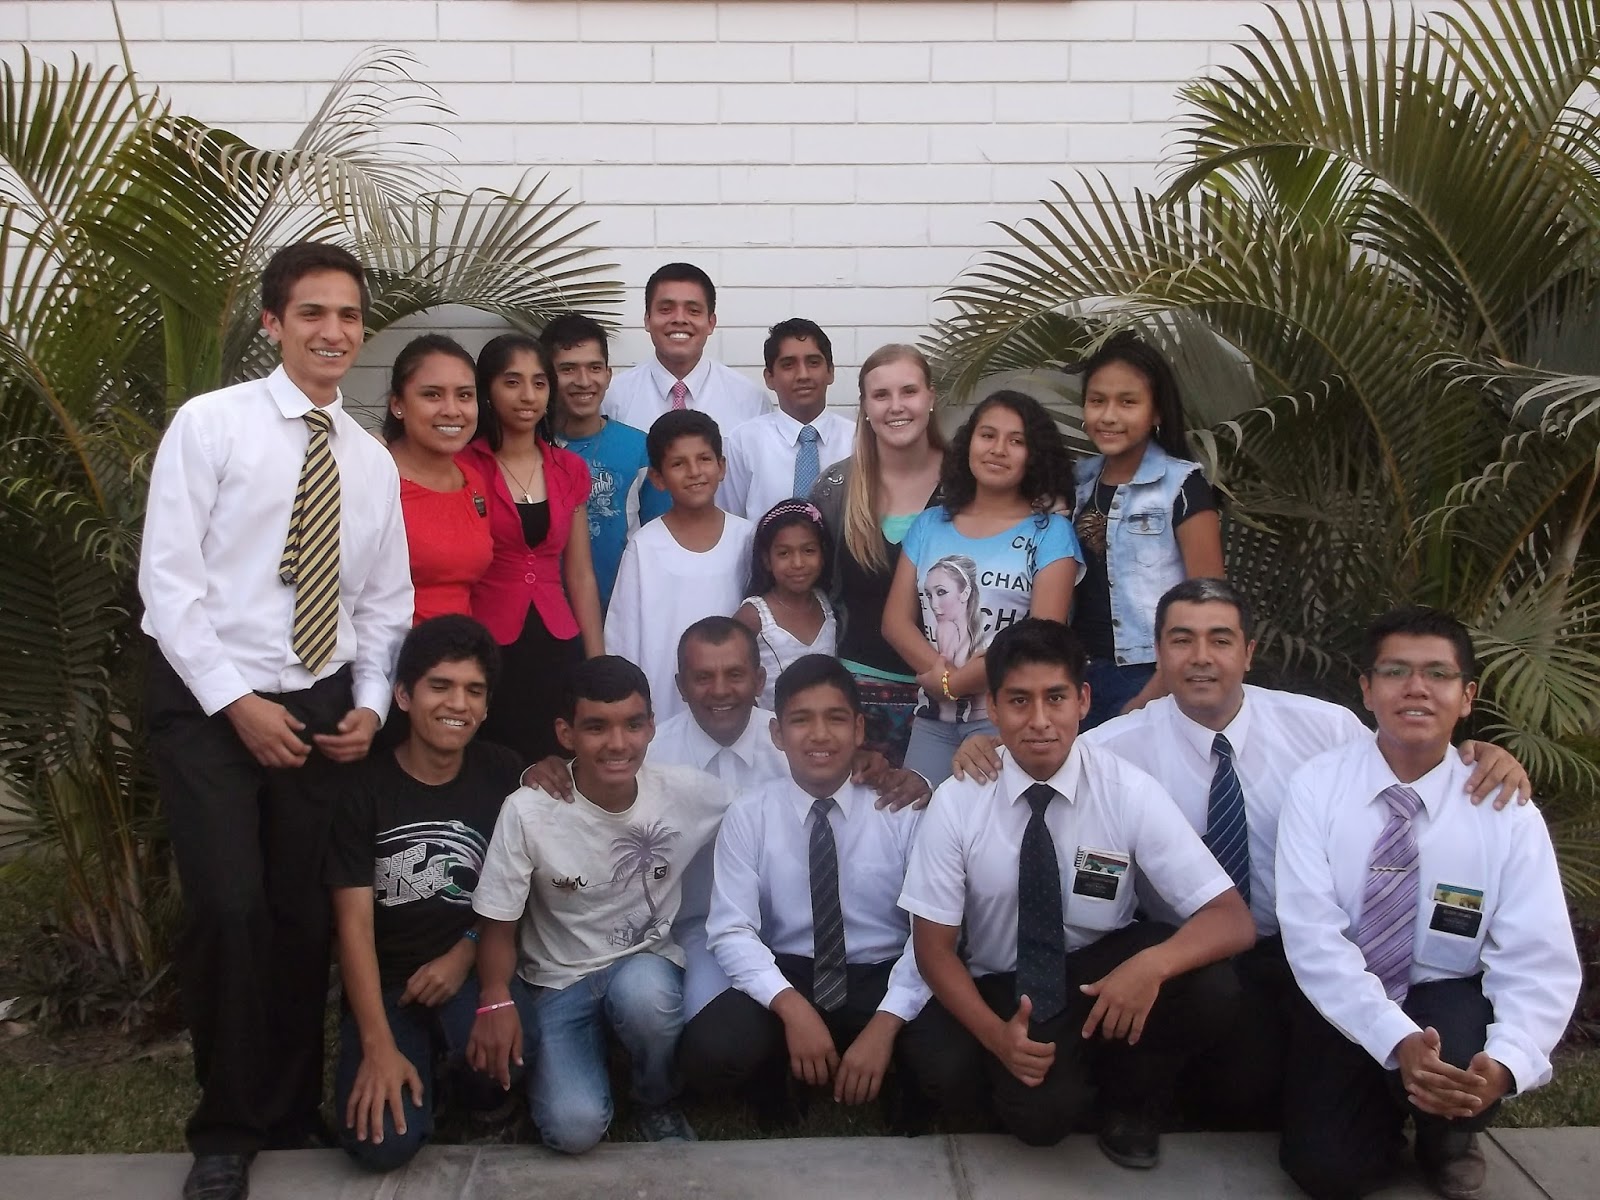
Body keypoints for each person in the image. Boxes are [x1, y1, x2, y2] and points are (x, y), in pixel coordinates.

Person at [947, 578, 1536, 1132]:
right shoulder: (1117, 746)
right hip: (1188, 950)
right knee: (1229, 1080)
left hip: (1301, 946)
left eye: (1221, 639)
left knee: (1265, 1101)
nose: (1201, 657)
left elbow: (1404, 759)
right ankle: (1140, 1103)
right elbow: (1040, 745)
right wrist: (984, 748)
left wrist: (1477, 754)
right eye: (1182, 640)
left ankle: (1423, 1128)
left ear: (1249, 652)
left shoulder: (1324, 728)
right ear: (1159, 652)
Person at [138, 241, 413, 1200]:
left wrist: (369, 705)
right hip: (210, 700)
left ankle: (291, 1107)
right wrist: (237, 703)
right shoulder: (211, 426)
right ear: (273, 323)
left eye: (348, 316)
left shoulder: (369, 462)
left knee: (302, 917)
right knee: (230, 908)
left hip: (322, 705)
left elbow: (385, 604)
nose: (332, 331)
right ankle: (226, 1128)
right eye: (311, 313)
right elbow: (168, 586)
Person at [899, 618, 1255, 1168]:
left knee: (1211, 985)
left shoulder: (1126, 789)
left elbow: (1232, 919)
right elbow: (933, 948)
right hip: (1007, 979)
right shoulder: (959, 800)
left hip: (1099, 968)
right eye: (1019, 701)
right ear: (993, 708)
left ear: (1083, 701)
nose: (1039, 720)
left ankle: (1133, 1099)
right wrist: (997, 1036)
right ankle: (1065, 1074)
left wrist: (1151, 967)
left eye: (1056, 698)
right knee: (1039, 1123)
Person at [1275, 607, 1580, 1200]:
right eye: (1395, 672)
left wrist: (1507, 1063)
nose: (1416, 688)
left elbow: (1537, 956)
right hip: (1346, 995)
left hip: (1445, 994)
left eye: (1437, 674)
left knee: (1461, 1055)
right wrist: (1394, 1038)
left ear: (1466, 697)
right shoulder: (1317, 787)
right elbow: (1313, 936)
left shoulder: (1505, 810)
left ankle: (1449, 1137)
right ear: (1367, 690)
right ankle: (1383, 1110)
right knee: (1327, 1173)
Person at [519, 618, 929, 1024]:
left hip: (796, 934)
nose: (719, 690)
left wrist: (907, 779)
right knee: (703, 1025)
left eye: (734, 674)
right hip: (693, 928)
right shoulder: (646, 754)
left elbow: (846, 777)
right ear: (680, 686)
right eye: (702, 677)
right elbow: (589, 788)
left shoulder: (797, 739)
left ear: (759, 679)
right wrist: (550, 771)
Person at [468, 656, 729, 1150]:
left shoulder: (685, 792)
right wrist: (495, 996)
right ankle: (592, 1059)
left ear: (651, 726)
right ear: (565, 734)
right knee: (573, 1129)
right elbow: (498, 926)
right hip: (557, 981)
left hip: (644, 967)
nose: (617, 743)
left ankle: (655, 1096)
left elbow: (764, 811)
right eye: (596, 727)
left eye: (633, 724)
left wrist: (867, 767)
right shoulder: (528, 811)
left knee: (645, 998)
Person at [682, 656, 936, 1129]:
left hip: (881, 971)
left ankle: (897, 1072)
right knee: (712, 1054)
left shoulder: (900, 809)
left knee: (949, 1067)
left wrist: (887, 1023)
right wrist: (791, 1009)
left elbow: (931, 933)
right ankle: (777, 1070)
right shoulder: (750, 814)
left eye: (835, 718)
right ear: (778, 734)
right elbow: (732, 930)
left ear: (859, 729)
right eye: (801, 720)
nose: (820, 735)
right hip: (793, 969)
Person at [326, 615, 529, 1171]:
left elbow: (516, 892)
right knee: (381, 1146)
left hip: (470, 970)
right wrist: (376, 1046)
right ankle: (415, 1066)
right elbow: (353, 927)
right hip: (390, 986)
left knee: (516, 1053)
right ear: (403, 695)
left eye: (474, 691)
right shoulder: (363, 789)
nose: (457, 704)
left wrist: (463, 954)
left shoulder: (502, 773)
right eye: (440, 686)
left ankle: (473, 1091)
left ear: (486, 706)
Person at [883, 390, 1081, 786]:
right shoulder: (930, 524)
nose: (998, 449)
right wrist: (941, 679)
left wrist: (954, 683)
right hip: (932, 719)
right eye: (987, 435)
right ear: (969, 442)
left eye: (1016, 441)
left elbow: (1041, 639)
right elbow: (894, 622)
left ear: (1034, 455)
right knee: (918, 818)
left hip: (1008, 719)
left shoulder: (1051, 533)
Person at [460, 333, 604, 762]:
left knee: (558, 764)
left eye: (539, 383)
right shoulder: (462, 465)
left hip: (557, 640)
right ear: (487, 390)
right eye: (512, 382)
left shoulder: (569, 468)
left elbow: (579, 573)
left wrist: (596, 661)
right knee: (494, 763)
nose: (528, 396)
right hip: (485, 642)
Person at [1071, 331, 1224, 729]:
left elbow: (1209, 603)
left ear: (1156, 412)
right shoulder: (1075, 484)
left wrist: (1155, 692)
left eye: (1128, 402)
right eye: (1097, 401)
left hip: (1149, 675)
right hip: (1076, 676)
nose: (1109, 416)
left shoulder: (1182, 485)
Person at [811, 344, 947, 766]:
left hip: (951, 699)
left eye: (909, 391)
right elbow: (811, 590)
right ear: (865, 407)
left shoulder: (969, 482)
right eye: (881, 395)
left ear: (930, 397)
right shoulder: (835, 488)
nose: (896, 406)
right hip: (856, 699)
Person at [606, 410, 754, 722]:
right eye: (678, 464)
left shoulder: (748, 538)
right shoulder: (644, 548)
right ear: (657, 478)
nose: (694, 472)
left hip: (736, 708)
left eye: (704, 459)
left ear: (722, 466)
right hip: (663, 711)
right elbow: (623, 641)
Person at [541, 312, 654, 605]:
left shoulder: (639, 448)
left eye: (594, 368)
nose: (583, 381)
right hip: (546, 613)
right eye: (568, 369)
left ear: (608, 374)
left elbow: (662, 539)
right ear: (546, 376)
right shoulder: (527, 448)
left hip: (623, 609)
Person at [381, 334, 493, 625]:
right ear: (398, 404)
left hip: (460, 648)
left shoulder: (473, 481)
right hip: (389, 650)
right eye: (432, 395)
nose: (452, 410)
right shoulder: (376, 479)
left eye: (464, 395)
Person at [602, 261, 769, 438]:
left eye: (693, 310)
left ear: (711, 323)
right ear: (647, 320)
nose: (679, 319)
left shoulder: (750, 400)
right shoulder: (611, 397)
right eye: (666, 309)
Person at [720, 318, 857, 521]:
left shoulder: (856, 440)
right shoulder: (743, 442)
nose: (803, 375)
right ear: (769, 378)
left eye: (813, 363)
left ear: (830, 372)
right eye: (788, 365)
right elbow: (731, 520)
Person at [735, 499, 838, 712]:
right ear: (767, 560)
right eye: (784, 553)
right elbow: (734, 674)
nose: (798, 563)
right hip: (771, 726)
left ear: (823, 554)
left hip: (822, 724)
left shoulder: (825, 603)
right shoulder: (755, 615)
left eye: (808, 551)